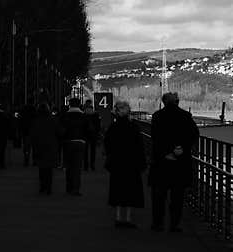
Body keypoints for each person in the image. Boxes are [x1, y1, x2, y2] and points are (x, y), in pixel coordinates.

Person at [149, 92, 199, 232]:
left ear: (164, 102)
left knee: (159, 196)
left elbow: (156, 137)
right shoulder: (185, 116)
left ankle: (158, 223)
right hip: (180, 162)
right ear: (177, 101)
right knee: (177, 197)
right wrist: (180, 148)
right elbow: (194, 135)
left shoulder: (157, 116)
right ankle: (174, 224)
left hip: (162, 162)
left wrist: (167, 152)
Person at [103, 100, 146, 228]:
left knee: (117, 189)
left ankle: (117, 217)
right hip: (131, 164)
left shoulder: (113, 128)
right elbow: (140, 146)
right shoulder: (134, 127)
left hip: (117, 163)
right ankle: (127, 218)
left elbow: (108, 144)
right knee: (129, 191)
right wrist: (141, 163)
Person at [30, 102, 61, 194]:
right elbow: (60, 132)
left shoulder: (36, 121)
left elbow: (32, 134)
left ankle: (42, 186)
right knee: (49, 169)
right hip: (51, 146)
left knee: (41, 168)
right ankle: (48, 187)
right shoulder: (53, 120)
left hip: (39, 147)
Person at [60, 97, 88, 195]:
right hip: (80, 143)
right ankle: (76, 189)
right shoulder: (83, 116)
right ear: (79, 105)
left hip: (68, 143)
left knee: (68, 166)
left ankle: (69, 187)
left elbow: (61, 130)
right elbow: (89, 129)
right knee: (77, 167)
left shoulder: (65, 116)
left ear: (70, 105)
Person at [82, 100, 101, 171]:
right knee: (93, 150)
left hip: (85, 134)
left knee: (85, 151)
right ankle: (92, 165)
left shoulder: (83, 115)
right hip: (93, 134)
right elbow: (98, 125)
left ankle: (85, 166)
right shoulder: (96, 114)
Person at [19, 100, 36, 166]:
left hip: (26, 131)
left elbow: (21, 121)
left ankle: (26, 159)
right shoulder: (34, 110)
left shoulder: (24, 110)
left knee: (26, 147)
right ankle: (34, 160)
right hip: (32, 131)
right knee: (34, 147)